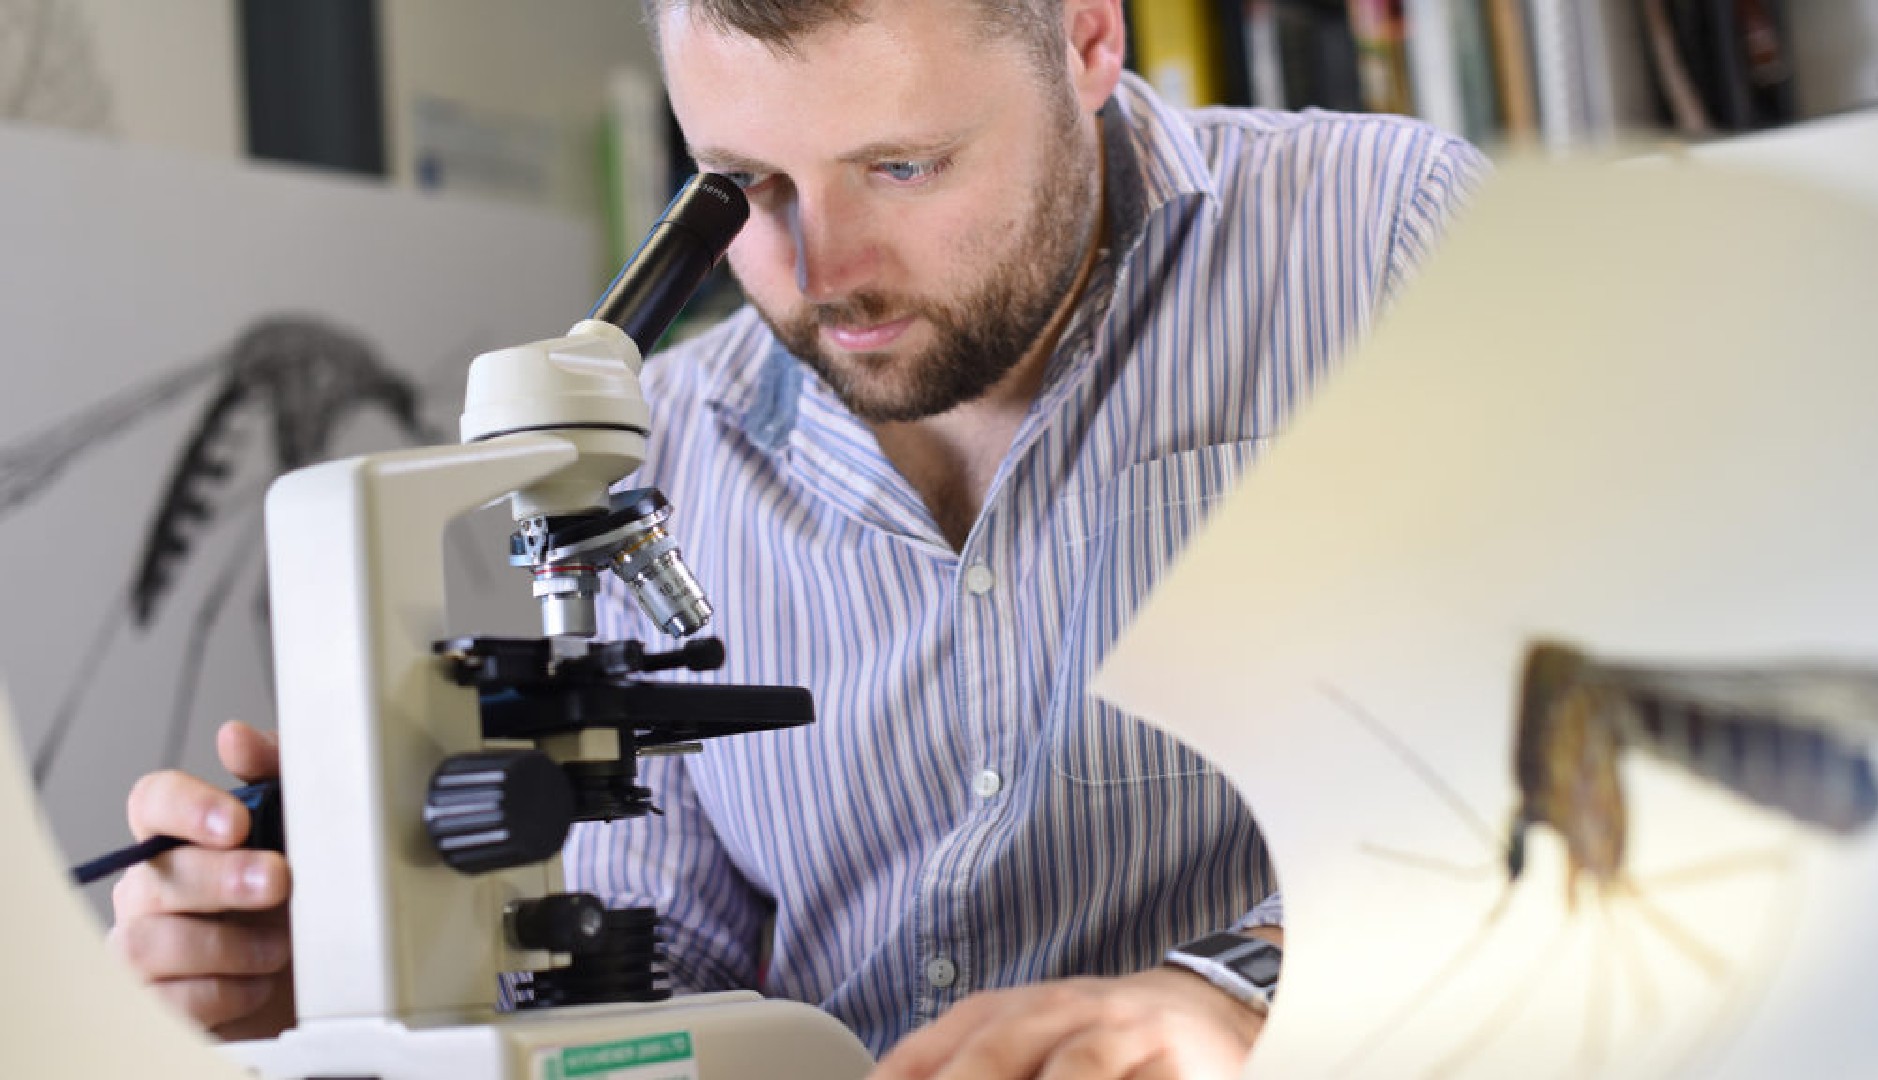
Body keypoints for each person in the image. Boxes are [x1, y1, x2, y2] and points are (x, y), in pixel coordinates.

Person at [109, 0, 1487, 1075]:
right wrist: (388, 977)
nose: (824, 273)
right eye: (744, 187)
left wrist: (1242, 1009)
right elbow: (659, 988)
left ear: (1087, 40)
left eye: (902, 163)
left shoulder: (1388, 243)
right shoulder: (665, 446)